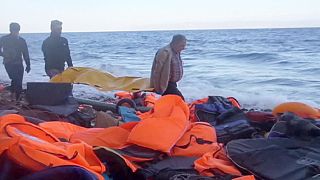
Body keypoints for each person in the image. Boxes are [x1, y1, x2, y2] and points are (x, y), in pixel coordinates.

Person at [150, 34, 187, 100]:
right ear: (175, 43)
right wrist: (158, 89)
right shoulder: (164, 52)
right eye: (182, 45)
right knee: (180, 99)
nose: (184, 48)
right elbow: (157, 71)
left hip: (172, 83)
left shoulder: (176, 51)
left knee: (172, 101)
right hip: (165, 84)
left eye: (184, 45)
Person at [0, 22, 31, 100]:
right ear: (10, 30)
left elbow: (25, 53)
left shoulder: (21, 40)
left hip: (19, 63)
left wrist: (28, 65)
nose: (15, 32)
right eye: (14, 30)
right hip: (8, 63)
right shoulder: (4, 39)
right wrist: (4, 55)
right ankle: (11, 92)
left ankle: (16, 98)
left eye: (17, 30)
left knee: (18, 81)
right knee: (15, 79)